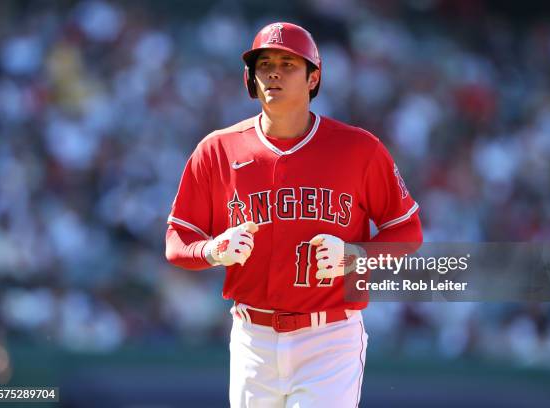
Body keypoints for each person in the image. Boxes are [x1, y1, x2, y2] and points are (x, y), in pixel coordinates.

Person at [165, 22, 422, 407]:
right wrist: (213, 250)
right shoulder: (217, 149)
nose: (273, 72)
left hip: (329, 338)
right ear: (249, 78)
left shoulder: (358, 149)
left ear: (313, 78)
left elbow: (407, 233)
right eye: (264, 63)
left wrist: (355, 256)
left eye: (288, 64)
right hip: (252, 338)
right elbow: (176, 240)